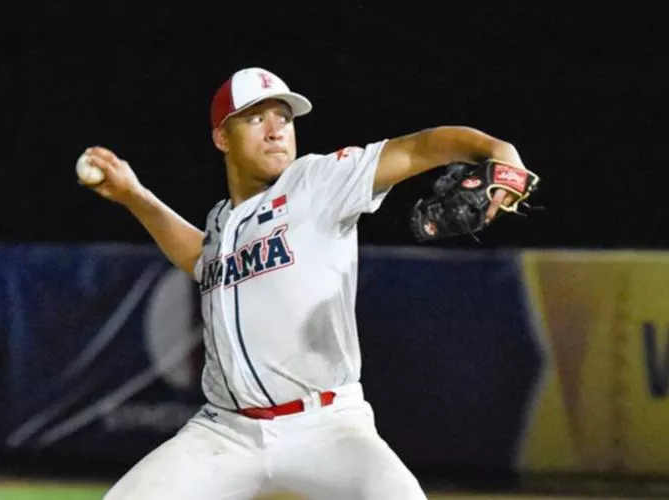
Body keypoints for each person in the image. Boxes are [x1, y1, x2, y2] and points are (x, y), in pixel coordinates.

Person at [83, 67, 528, 499]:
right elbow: (200, 258)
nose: (276, 130)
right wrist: (133, 196)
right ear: (222, 138)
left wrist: (499, 149)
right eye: (257, 118)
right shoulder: (222, 221)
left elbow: (417, 149)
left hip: (326, 427)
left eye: (285, 118)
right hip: (224, 431)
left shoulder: (317, 182)